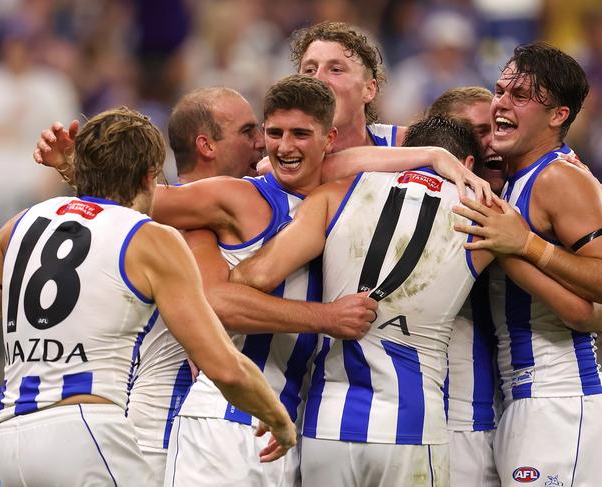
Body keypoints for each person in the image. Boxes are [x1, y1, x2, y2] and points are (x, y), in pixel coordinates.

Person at [34, 75, 489, 487]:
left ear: (328, 141)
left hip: (283, 428)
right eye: (270, 133)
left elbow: (357, 162)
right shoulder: (240, 196)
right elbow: (154, 213)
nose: (280, 147)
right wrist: (73, 169)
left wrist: (433, 155)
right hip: (226, 421)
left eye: (299, 135)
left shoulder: (340, 194)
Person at [230, 114, 598, 487]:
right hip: (412, 424)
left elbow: (250, 278)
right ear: (467, 165)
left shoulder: (335, 194)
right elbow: (579, 310)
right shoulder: (483, 217)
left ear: (402, 155)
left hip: (327, 424)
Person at [0, 107, 296, 486]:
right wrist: (277, 418)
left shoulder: (18, 226)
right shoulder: (149, 237)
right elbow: (223, 366)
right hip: (86, 434)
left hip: (13, 443)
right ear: (150, 176)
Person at [35, 86, 266, 486]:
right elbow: (215, 304)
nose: (262, 142)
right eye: (248, 131)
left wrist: (76, 170)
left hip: (155, 424)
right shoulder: (167, 225)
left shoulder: (144, 217)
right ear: (206, 145)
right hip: (165, 427)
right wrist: (328, 318)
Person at [453, 43, 602, 487]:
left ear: (557, 115)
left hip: (559, 400)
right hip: (524, 399)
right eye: (500, 90)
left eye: (520, 96)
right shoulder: (518, 178)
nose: (500, 102)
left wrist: (528, 246)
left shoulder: (560, 177)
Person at [429, 87, 503, 487]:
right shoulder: (447, 212)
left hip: (508, 416)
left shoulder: (514, 203)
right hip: (452, 421)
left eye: (495, 129)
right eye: (477, 132)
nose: (491, 144)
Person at [290, 21, 406, 152]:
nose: (318, 79)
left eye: (336, 69)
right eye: (309, 70)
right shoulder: (278, 163)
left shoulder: (409, 143)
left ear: (369, 89)